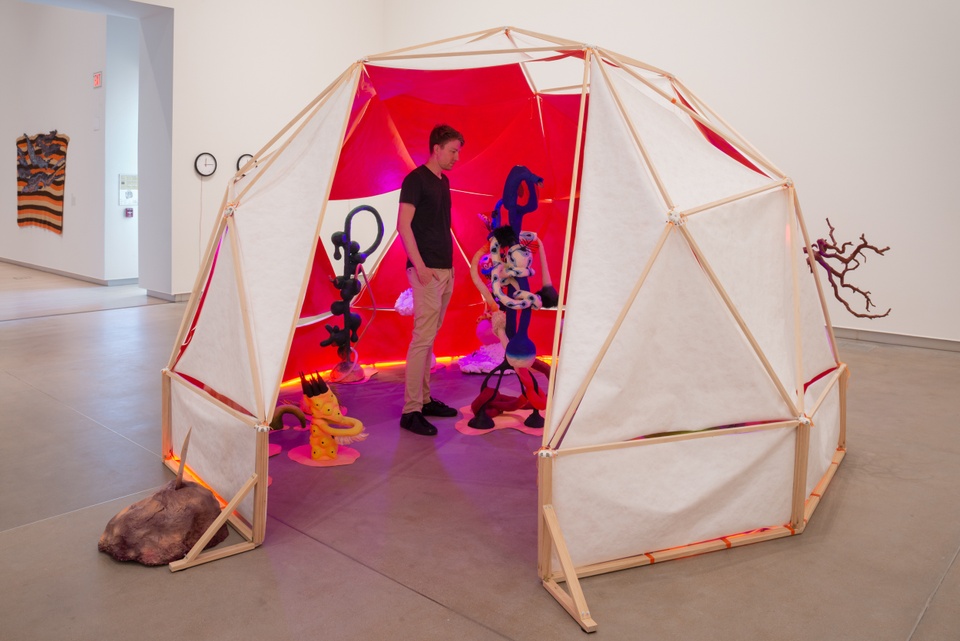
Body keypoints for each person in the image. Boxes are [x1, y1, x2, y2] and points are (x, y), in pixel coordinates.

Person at [396, 124, 465, 436]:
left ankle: (424, 400)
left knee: (428, 340)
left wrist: (449, 270)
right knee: (421, 340)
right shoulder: (415, 180)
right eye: (452, 151)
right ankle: (411, 411)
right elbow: (403, 225)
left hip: (445, 270)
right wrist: (420, 266)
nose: (456, 157)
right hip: (427, 271)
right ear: (436, 149)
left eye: (458, 152)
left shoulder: (444, 182)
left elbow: (440, 227)